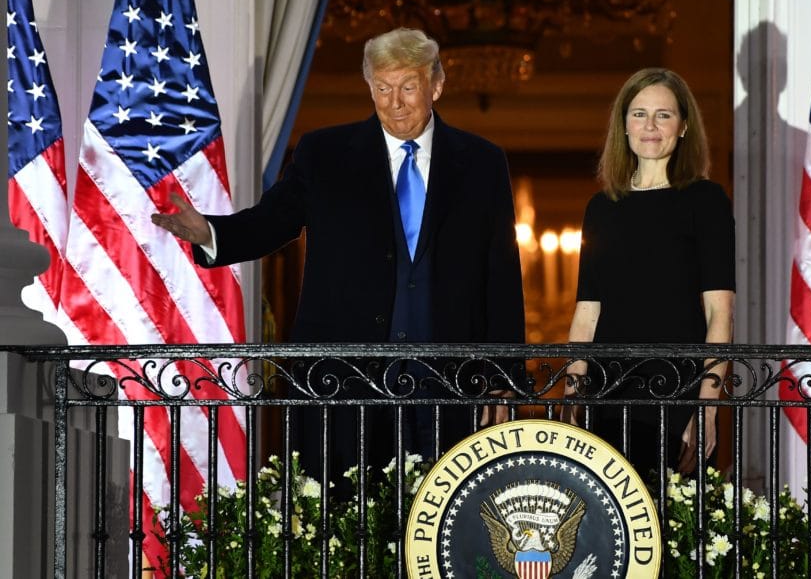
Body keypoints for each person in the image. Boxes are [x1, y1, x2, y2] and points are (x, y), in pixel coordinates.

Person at [151, 27, 525, 480]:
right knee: (346, 524)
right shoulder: (324, 154)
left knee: (441, 521)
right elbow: (274, 220)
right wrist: (212, 231)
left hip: (449, 385)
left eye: (408, 87)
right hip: (344, 382)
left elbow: (500, 274)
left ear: (436, 86)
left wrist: (504, 380)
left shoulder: (482, 162)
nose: (395, 102)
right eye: (382, 88)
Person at [563, 67, 735, 478]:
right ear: (623, 125)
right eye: (639, 114)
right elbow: (587, 313)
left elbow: (720, 314)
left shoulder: (706, 201)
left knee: (672, 528)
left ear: (684, 126)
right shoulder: (601, 208)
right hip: (607, 393)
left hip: (676, 392)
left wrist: (707, 409)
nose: (650, 126)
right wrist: (571, 398)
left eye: (664, 115)